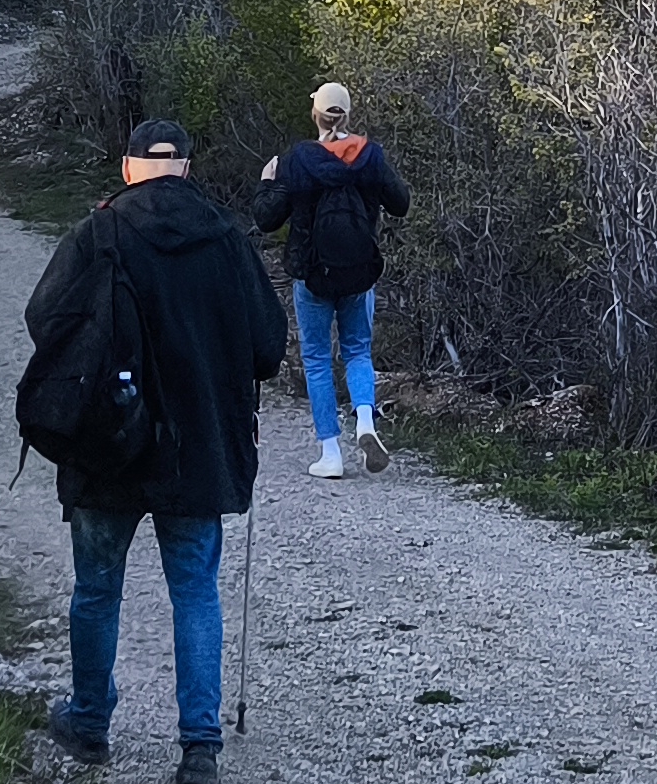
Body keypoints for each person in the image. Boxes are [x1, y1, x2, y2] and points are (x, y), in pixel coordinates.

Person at [26, 120, 280, 778]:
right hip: (197, 450)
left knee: (97, 589)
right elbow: (268, 349)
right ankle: (199, 748)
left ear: (129, 166)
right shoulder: (227, 236)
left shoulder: (98, 231)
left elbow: (43, 319)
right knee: (195, 592)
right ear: (188, 169)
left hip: (108, 441)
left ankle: (88, 723)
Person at [252, 80, 411, 480]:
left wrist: (267, 183)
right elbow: (401, 203)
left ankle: (330, 453)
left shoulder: (299, 160)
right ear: (347, 113)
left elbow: (267, 218)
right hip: (359, 273)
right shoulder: (369, 156)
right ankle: (365, 423)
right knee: (358, 352)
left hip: (312, 275)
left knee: (318, 359)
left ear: (315, 114)